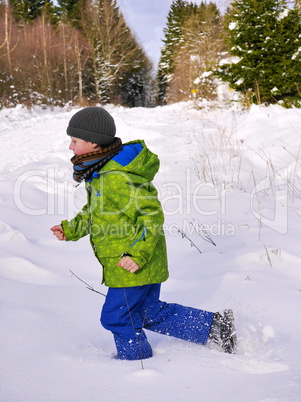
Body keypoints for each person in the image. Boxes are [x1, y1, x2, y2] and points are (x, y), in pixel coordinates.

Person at [51, 106, 236, 360]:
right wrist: (70, 229)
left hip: (132, 263)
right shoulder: (101, 173)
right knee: (148, 312)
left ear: (93, 142)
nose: (70, 147)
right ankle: (215, 328)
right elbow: (95, 212)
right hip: (139, 261)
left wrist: (137, 254)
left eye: (74, 141)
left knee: (116, 316)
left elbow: (151, 216)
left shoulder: (117, 177)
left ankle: (134, 362)